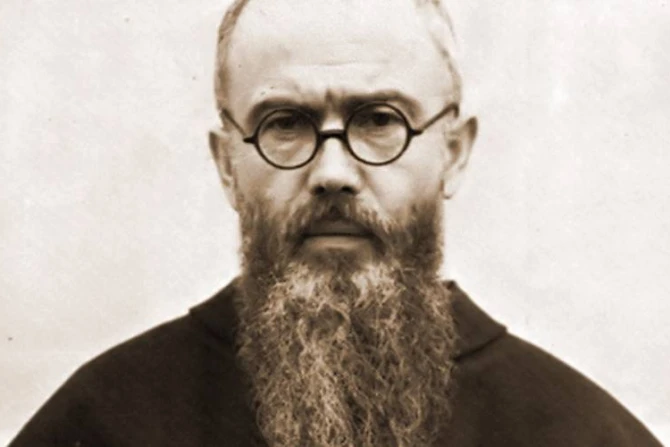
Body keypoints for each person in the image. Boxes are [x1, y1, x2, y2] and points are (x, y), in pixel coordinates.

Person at [9, 0, 662, 446]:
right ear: (227, 165)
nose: (332, 171)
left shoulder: (583, 434)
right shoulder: (102, 424)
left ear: (454, 153)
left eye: (379, 120)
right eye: (284, 123)